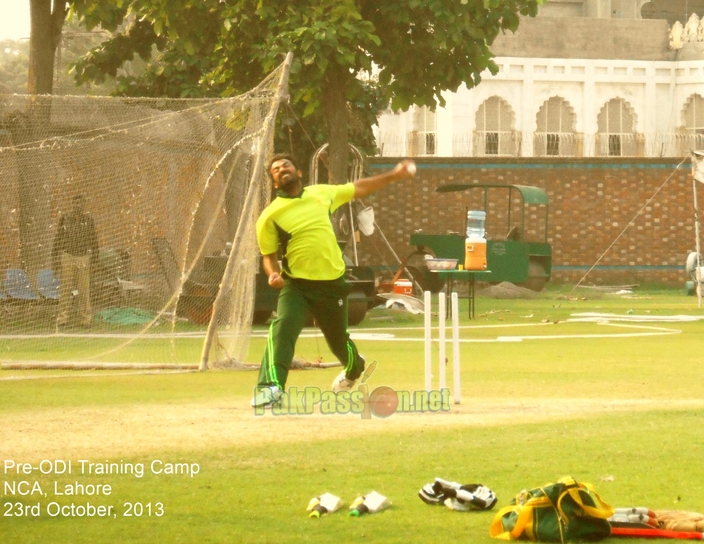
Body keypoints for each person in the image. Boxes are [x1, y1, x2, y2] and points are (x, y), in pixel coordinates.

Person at [251, 153, 416, 407]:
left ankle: (354, 366)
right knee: (282, 328)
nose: (282, 169)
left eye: (286, 165)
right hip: (297, 286)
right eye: (275, 169)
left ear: (299, 173)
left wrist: (394, 175)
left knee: (339, 343)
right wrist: (272, 273)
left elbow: (359, 188)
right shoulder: (269, 216)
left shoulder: (322, 193)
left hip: (332, 284)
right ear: (274, 182)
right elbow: (268, 256)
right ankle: (270, 389)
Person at [52, 194, 99, 327]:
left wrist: (95, 260)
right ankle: (63, 319)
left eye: (80, 203)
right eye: (75, 203)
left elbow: (94, 240)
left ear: (84, 205)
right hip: (67, 256)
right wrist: (55, 259)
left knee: (84, 290)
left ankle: (85, 319)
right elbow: (58, 239)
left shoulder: (89, 220)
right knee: (65, 289)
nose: (77, 205)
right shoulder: (65, 219)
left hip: (83, 256)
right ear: (72, 204)